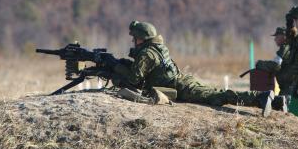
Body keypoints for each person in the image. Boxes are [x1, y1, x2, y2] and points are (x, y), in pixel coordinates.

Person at [103, 20, 276, 115]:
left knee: (217, 96)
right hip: (182, 81)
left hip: (181, 86)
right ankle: (275, 102)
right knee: (216, 92)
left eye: (135, 38)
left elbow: (133, 80)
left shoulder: (147, 53)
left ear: (141, 38)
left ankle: (260, 98)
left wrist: (115, 68)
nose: (133, 41)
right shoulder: (154, 48)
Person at [255, 27, 291, 111]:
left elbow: (275, 65)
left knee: (281, 107)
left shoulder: (285, 48)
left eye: (277, 36)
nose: (275, 39)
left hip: (289, 87)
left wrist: (260, 64)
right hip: (288, 86)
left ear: (284, 36)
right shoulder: (289, 47)